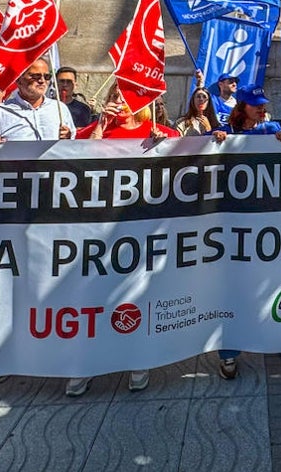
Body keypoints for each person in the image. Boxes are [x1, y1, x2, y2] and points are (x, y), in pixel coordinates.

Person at [65, 86, 178, 397]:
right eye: (114, 97)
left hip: (138, 230)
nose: (119, 103)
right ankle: (84, 367)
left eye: (126, 98)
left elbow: (192, 157)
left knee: (135, 295)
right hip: (97, 230)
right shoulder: (95, 129)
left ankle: (137, 362)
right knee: (92, 297)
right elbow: (74, 157)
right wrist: (100, 125)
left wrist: (163, 145)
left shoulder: (156, 130)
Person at [209, 85, 281, 379]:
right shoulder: (224, 131)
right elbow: (201, 152)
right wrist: (213, 139)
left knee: (272, 285)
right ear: (242, 106)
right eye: (255, 104)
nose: (261, 108)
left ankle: (280, 340)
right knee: (232, 289)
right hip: (232, 224)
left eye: (263, 103)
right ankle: (228, 352)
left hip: (266, 221)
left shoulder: (273, 128)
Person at [0, 58, 76, 146]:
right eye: (35, 76)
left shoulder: (60, 109)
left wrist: (68, 137)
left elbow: (72, 146)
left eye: (47, 77)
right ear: (19, 80)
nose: (42, 81)